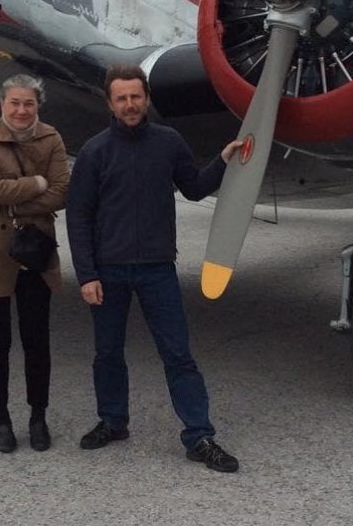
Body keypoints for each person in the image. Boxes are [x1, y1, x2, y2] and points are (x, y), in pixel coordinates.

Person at [66, 64, 243, 473]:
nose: (129, 104)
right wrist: (87, 274)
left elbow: (194, 188)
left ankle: (199, 436)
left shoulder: (169, 142)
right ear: (110, 104)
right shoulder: (94, 152)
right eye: (121, 98)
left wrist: (223, 161)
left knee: (178, 354)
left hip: (157, 269)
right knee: (107, 354)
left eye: (136, 96)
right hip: (108, 271)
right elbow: (79, 216)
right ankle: (113, 422)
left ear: (146, 99)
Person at [0, 74, 69, 453]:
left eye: (29, 104)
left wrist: (17, 198)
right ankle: (1, 418)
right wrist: (37, 184)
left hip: (34, 251)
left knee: (37, 341)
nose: (22, 111)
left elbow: (62, 192)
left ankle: (38, 417)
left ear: (38, 106)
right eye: (15, 103)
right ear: (2, 105)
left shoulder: (51, 138)